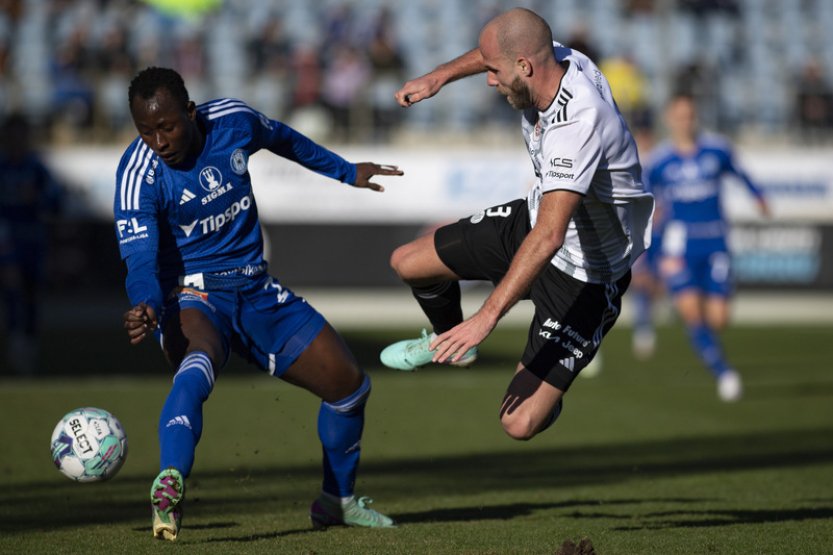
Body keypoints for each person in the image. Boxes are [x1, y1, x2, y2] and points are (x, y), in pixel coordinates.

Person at [114, 67, 403, 541]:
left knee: (349, 386)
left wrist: (346, 171)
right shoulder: (138, 175)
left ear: (190, 112)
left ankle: (338, 502)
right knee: (197, 359)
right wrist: (144, 303)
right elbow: (141, 259)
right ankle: (170, 482)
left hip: (255, 287)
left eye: (166, 127)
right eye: (146, 132)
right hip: (191, 293)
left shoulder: (233, 121)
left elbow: (284, 138)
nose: (158, 141)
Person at [382, 8, 653, 441]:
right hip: (535, 222)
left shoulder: (577, 125)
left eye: (494, 72)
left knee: (519, 422)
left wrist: (484, 318)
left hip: (586, 274)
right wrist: (439, 77)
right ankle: (457, 342)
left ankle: (552, 382)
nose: (489, 80)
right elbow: (499, 49)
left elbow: (549, 236)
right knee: (407, 263)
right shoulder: (560, 58)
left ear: (525, 67)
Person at [647, 92, 769, 402]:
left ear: (695, 117)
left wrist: (758, 196)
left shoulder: (717, 150)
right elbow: (648, 204)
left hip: (715, 242)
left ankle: (705, 340)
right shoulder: (660, 162)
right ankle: (724, 373)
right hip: (679, 247)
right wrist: (654, 250)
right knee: (692, 313)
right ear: (669, 119)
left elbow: (741, 173)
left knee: (719, 318)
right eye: (679, 116)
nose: (685, 121)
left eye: (689, 115)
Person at [0, 113, 64, 375]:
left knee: (32, 294)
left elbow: (56, 201)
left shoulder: (36, 167)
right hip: (7, 242)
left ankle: (29, 347)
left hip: (33, 242)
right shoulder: (3, 168)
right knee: (13, 292)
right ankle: (17, 347)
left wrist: (38, 198)